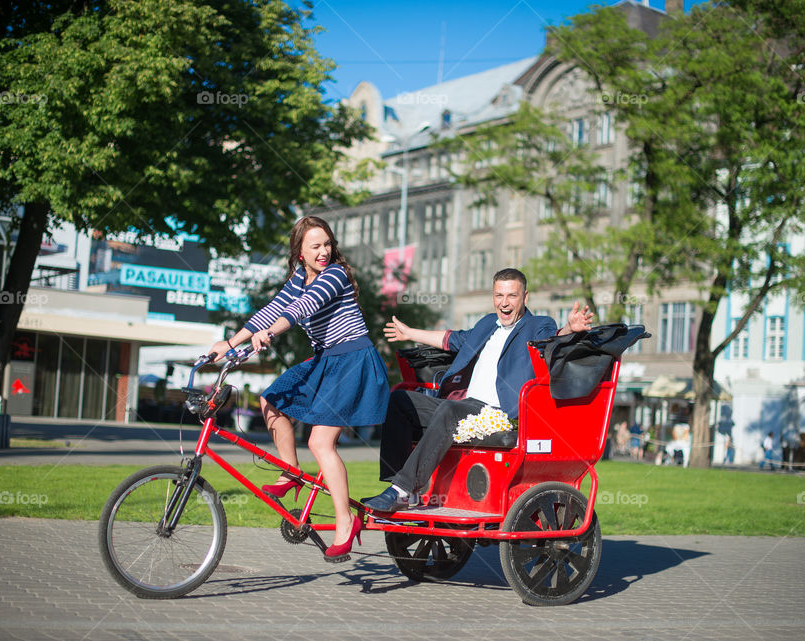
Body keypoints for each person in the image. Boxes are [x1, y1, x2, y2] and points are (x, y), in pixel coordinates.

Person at [208, 216, 388, 561]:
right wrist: (229, 343)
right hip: (326, 360)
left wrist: (272, 334)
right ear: (299, 252)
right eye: (315, 246)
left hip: (353, 360)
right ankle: (290, 471)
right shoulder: (298, 278)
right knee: (271, 400)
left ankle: (345, 521)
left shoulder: (334, 275)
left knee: (320, 442)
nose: (324, 252)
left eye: (327, 244)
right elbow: (276, 307)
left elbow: (302, 308)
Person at [363, 268, 592, 513]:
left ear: (525, 298)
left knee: (452, 411)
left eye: (511, 296)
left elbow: (551, 341)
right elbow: (451, 339)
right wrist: (409, 333)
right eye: (499, 295)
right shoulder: (486, 325)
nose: (504, 303)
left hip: (499, 413)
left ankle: (402, 490)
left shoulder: (538, 324)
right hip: (466, 405)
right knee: (399, 400)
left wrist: (569, 329)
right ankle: (396, 485)